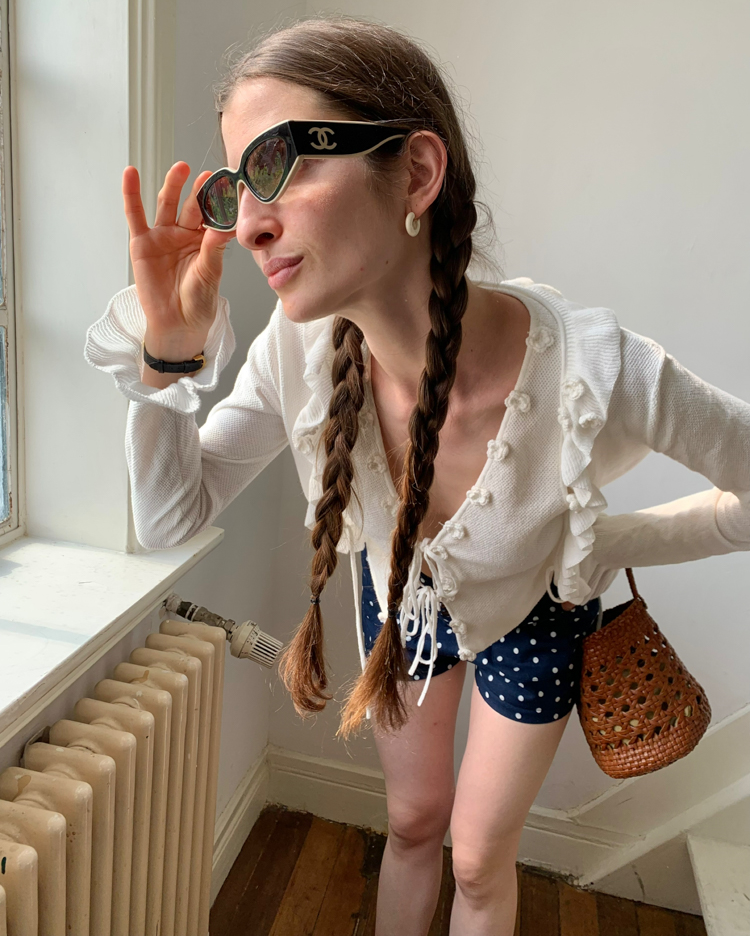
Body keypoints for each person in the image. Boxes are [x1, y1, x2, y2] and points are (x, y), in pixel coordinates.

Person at [84, 15, 750, 936]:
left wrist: (601, 543)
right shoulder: (297, 353)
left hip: (537, 616)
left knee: (476, 861)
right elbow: (169, 516)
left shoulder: (599, 372)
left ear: (417, 173)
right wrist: (166, 361)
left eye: (280, 163)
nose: (249, 225)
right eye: (235, 188)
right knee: (412, 824)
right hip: (402, 596)